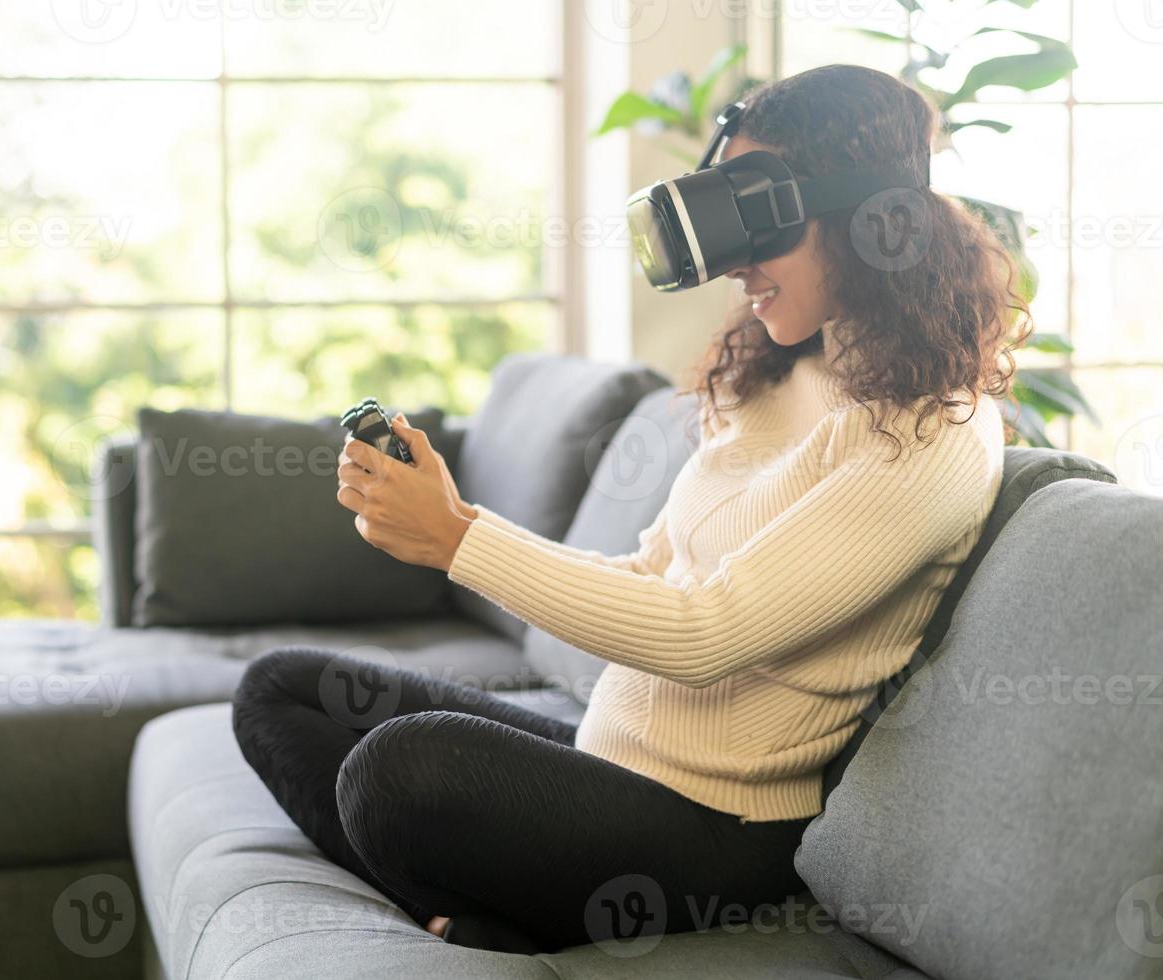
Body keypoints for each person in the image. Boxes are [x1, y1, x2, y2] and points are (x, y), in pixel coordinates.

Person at [230, 64, 1028, 955]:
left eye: (759, 223)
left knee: (396, 770)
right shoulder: (781, 372)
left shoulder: (930, 436)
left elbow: (703, 635)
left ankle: (477, 908)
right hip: (607, 764)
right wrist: (455, 519)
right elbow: (652, 572)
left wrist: (458, 542)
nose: (737, 266)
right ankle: (461, 917)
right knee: (279, 690)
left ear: (873, 224)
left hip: (714, 831)